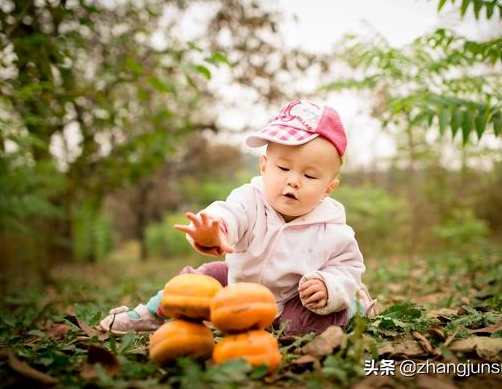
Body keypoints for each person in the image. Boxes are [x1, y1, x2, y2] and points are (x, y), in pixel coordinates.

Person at [99, 99, 378, 336]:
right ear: (264, 166)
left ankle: (354, 305)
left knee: (301, 325)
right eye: (283, 167)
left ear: (329, 187)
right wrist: (215, 231)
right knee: (199, 281)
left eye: (309, 175)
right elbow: (230, 213)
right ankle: (150, 313)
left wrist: (330, 287)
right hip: (238, 283)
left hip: (295, 298)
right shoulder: (250, 199)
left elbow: (347, 267)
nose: (293, 181)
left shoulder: (334, 230)